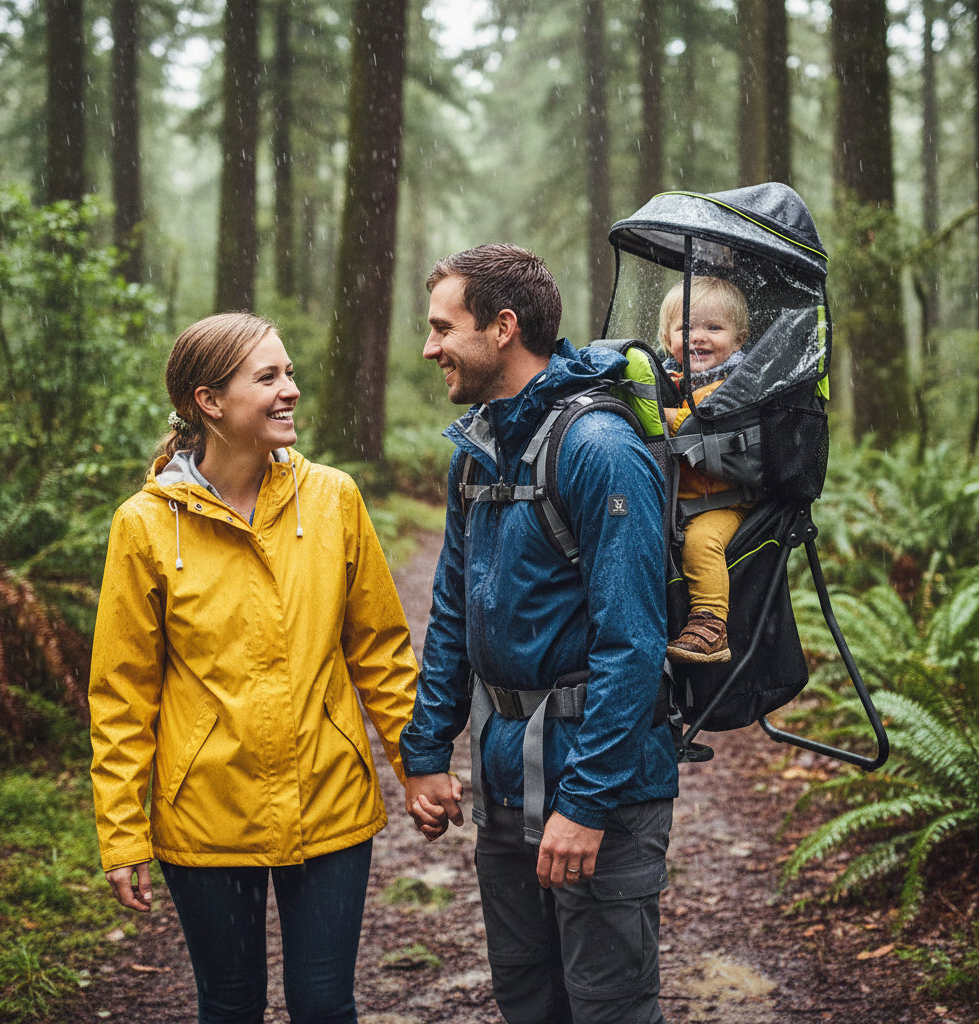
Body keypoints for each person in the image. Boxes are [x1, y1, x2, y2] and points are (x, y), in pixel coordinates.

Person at [88, 312, 418, 1024]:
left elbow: (381, 651)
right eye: (268, 377)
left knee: (326, 1006)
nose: (290, 390)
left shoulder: (333, 499)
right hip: (205, 811)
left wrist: (415, 765)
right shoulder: (144, 525)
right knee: (230, 1006)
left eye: (290, 372)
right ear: (208, 402)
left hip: (328, 798)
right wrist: (122, 833)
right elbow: (122, 695)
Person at [399, 244, 678, 1024]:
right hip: (504, 781)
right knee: (527, 998)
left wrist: (585, 806)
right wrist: (425, 754)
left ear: (503, 327)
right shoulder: (477, 452)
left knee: (607, 1007)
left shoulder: (598, 450)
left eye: (442, 327)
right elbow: (452, 612)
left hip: (603, 784)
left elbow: (633, 645)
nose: (430, 348)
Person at [659, 276, 753, 666]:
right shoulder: (669, 380)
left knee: (701, 544)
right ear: (668, 339)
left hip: (724, 502)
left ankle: (711, 623)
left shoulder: (737, 382)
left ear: (739, 340)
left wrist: (648, 410)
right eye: (687, 327)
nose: (699, 337)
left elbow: (695, 416)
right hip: (679, 502)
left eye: (714, 328)